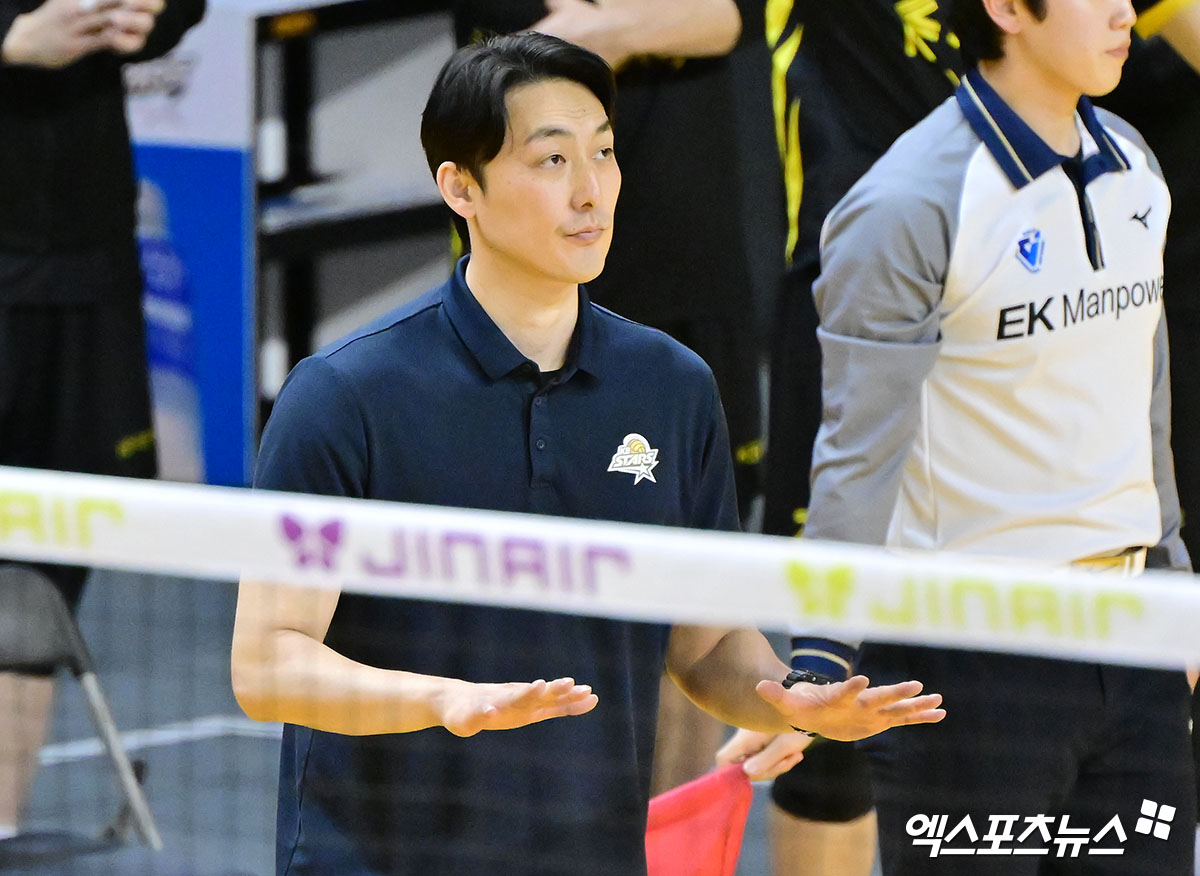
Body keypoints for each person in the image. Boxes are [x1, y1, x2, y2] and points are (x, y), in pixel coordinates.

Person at [229, 33, 946, 876]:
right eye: (551, 160)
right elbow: (266, 664)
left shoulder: (670, 388)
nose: (590, 190)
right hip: (380, 856)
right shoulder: (344, 396)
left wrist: (792, 701)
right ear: (461, 187)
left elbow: (706, 645)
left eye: (602, 152)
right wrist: (441, 700)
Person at [774, 0, 1194, 872]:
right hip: (968, 665)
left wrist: (1174, 590)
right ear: (1007, 8)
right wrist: (816, 666)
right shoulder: (905, 202)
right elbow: (856, 459)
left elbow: (1143, 408)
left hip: (1133, 644)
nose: (1127, 11)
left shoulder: (1137, 166)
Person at [452, 0, 771, 797]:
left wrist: (610, 32)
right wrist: (638, 27)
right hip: (542, 300)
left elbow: (731, 17)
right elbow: (525, 55)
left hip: (698, 273)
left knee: (692, 592)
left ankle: (664, 835)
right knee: (534, 587)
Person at [0, 0, 204, 840]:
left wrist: (148, 14)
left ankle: (2, 819)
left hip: (90, 263)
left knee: (48, 558)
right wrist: (10, 42)